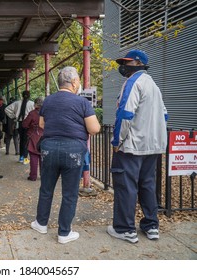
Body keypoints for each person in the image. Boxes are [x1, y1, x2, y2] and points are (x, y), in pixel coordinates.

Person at [30, 66, 100, 244]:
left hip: (49, 149)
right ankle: (64, 232)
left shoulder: (48, 101)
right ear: (74, 82)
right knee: (69, 193)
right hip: (73, 151)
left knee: (46, 189)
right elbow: (93, 128)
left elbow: (42, 125)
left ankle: (41, 223)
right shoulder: (82, 102)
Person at [107, 49, 168, 243]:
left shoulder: (133, 82)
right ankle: (151, 226)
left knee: (126, 186)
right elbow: (164, 115)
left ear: (138, 63)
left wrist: (117, 141)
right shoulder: (153, 85)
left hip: (132, 146)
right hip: (153, 146)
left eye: (126, 62)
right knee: (147, 185)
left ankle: (125, 229)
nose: (122, 66)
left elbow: (125, 115)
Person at [4, 90, 35, 164]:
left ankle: (21, 157)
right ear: (29, 96)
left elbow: (6, 109)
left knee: (21, 140)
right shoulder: (32, 104)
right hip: (29, 124)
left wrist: (14, 117)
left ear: (22, 95)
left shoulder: (17, 103)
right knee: (27, 141)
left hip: (20, 123)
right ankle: (25, 158)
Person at [22, 97, 44, 181]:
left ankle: (33, 176)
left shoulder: (32, 113)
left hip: (34, 136)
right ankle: (43, 175)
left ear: (35, 104)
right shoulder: (48, 113)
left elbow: (24, 124)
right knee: (43, 157)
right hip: (45, 136)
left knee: (34, 156)